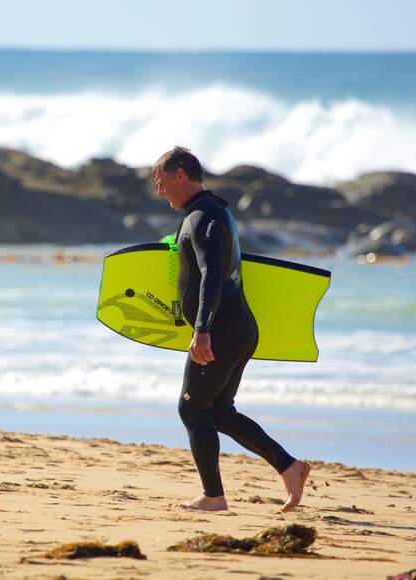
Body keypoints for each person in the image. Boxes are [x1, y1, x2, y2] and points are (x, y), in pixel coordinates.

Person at [152, 146, 310, 512]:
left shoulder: (203, 215)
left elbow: (211, 275)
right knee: (220, 411)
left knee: (192, 410)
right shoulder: (213, 211)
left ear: (181, 174)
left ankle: (213, 497)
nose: (161, 193)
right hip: (238, 328)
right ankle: (290, 467)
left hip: (223, 330)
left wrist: (202, 329)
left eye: (162, 183)